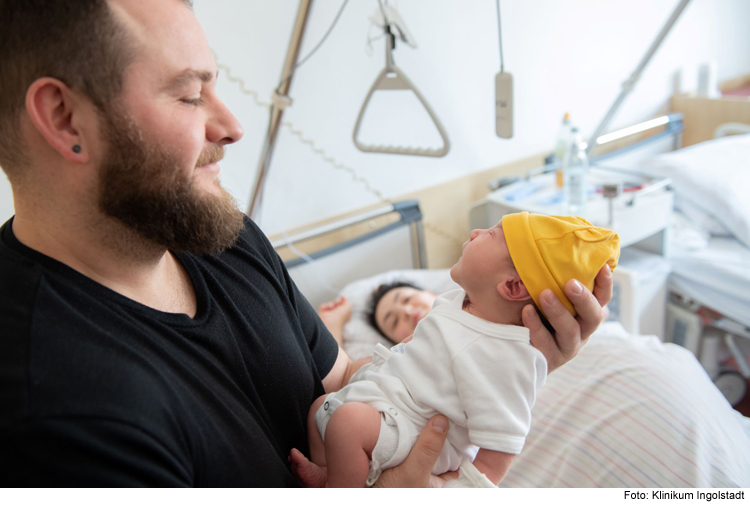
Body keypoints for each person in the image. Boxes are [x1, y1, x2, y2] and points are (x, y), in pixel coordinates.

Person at [0, 0, 612, 487]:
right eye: (189, 95)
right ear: (64, 119)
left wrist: (512, 350)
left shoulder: (221, 238)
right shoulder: (58, 418)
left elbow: (340, 378)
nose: (231, 125)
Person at [294, 213, 620, 487]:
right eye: (393, 318)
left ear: (512, 286)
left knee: (346, 423)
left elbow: (502, 447)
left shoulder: (505, 356)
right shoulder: (455, 303)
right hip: (391, 404)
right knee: (320, 408)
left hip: (416, 428)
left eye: (490, 234)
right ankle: (333, 476)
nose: (476, 232)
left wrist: (455, 489)